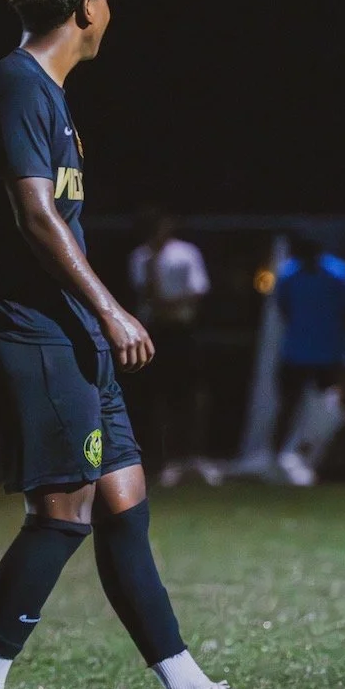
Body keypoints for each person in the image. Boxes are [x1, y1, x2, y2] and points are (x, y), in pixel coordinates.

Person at [0, 0, 280, 689]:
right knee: (61, 513)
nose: (111, 8)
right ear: (84, 4)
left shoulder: (43, 91)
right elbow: (33, 213)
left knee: (122, 505)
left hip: (68, 337)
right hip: (36, 334)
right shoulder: (18, 85)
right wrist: (110, 307)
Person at [127, 208, 216, 487]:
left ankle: (194, 456)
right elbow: (146, 293)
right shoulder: (141, 257)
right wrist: (153, 263)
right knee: (158, 396)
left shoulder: (186, 253)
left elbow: (198, 292)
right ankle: (165, 459)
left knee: (191, 394)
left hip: (183, 332)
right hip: (154, 334)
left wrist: (170, 307)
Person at [271, 234, 345, 486]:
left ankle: (325, 462)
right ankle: (277, 460)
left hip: (329, 353)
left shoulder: (338, 273)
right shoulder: (289, 273)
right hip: (296, 352)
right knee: (288, 406)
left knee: (331, 412)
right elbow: (284, 307)